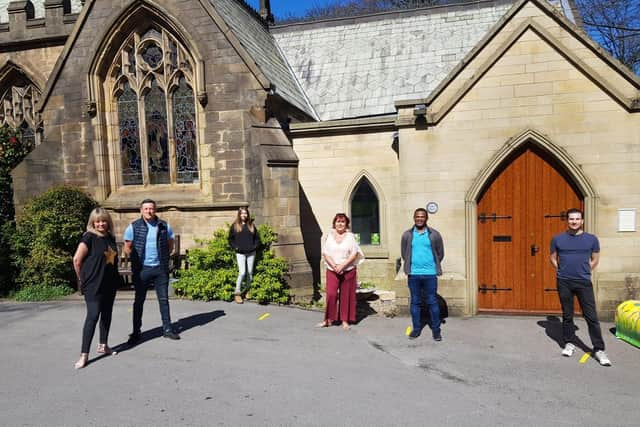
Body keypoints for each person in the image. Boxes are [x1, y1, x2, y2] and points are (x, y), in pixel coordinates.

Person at [550, 208, 611, 366]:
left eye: (577, 219)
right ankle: (569, 343)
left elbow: (595, 259)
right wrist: (562, 270)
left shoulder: (591, 239)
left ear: (582, 221)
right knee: (567, 315)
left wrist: (584, 270)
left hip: (583, 282)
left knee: (591, 317)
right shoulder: (558, 239)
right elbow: (553, 258)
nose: (574, 221)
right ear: (567, 220)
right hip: (564, 281)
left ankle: (599, 349)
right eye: (571, 219)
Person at [124, 199, 180, 344]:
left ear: (155, 210)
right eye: (146, 209)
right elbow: (128, 247)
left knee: (163, 300)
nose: (149, 211)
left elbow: (170, 244)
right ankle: (136, 332)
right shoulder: (133, 227)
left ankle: (167, 329)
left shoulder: (163, 226)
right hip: (142, 270)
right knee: (139, 301)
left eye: (151, 209)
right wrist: (137, 262)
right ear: (141, 210)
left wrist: (163, 258)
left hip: (160, 269)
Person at [72, 208, 120, 369]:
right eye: (97, 221)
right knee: (93, 316)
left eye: (103, 220)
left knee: (107, 315)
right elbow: (77, 260)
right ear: (92, 223)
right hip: (93, 285)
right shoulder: (89, 238)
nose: (101, 223)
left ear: (108, 222)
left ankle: (103, 345)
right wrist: (82, 280)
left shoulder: (110, 237)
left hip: (109, 284)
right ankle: (84, 355)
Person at [401, 208, 444, 341]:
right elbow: (404, 253)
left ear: (426, 218)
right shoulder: (407, 235)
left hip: (430, 274)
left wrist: (432, 265)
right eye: (417, 216)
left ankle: (436, 330)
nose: (420, 219)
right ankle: (416, 329)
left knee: (432, 302)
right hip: (413, 274)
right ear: (414, 218)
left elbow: (440, 253)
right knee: (415, 302)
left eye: (422, 216)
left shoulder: (434, 234)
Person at [317, 213, 364, 330]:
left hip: (348, 270)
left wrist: (342, 266)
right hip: (332, 269)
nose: (340, 224)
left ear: (346, 224)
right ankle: (328, 320)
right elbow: (325, 253)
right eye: (338, 221)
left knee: (346, 296)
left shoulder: (350, 237)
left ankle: (345, 320)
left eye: (343, 222)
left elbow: (354, 254)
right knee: (331, 294)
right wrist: (334, 266)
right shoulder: (330, 236)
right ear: (334, 223)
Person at [228, 207, 260, 304]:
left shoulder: (251, 225)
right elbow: (230, 239)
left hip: (251, 253)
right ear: (239, 215)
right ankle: (237, 293)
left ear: (247, 214)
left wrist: (254, 247)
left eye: (245, 213)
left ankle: (247, 290)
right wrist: (236, 248)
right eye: (242, 213)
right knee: (242, 273)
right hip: (240, 253)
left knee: (250, 272)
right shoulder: (235, 226)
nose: (244, 215)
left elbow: (257, 239)